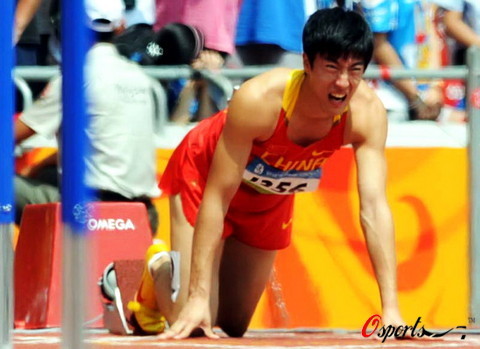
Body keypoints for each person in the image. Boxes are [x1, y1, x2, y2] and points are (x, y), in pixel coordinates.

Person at [127, 7, 406, 338]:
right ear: (306, 63)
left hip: (271, 193)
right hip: (206, 176)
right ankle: (157, 268)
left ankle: (190, 289)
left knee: (232, 325)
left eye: (355, 70)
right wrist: (198, 297)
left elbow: (374, 208)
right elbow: (217, 196)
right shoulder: (258, 100)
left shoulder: (368, 114)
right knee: (197, 319)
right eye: (331, 67)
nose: (343, 83)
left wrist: (391, 309)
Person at [14, 0, 162, 235]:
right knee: (45, 175)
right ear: (121, 27)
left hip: (90, 212)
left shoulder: (75, 77)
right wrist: (37, 168)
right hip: (145, 213)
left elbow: (12, 135)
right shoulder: (141, 79)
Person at [360, 0, 444, 122]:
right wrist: (415, 97)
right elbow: (379, 45)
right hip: (389, 99)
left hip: (426, 97)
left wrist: (435, 86)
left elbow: (430, 34)